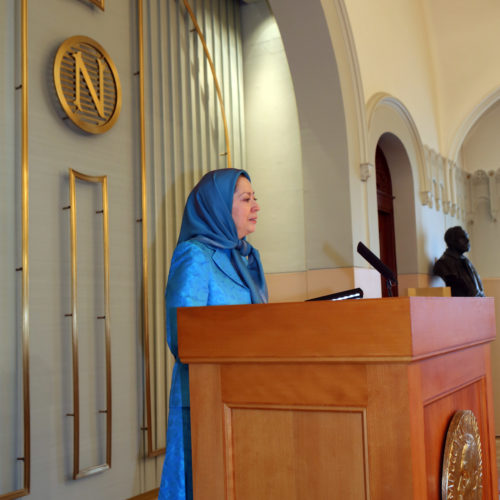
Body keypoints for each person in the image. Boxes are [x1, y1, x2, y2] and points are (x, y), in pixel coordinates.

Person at [158, 168, 268, 500]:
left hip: (249, 394)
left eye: (255, 198)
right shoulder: (195, 255)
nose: (255, 206)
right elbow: (182, 336)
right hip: (205, 398)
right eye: (246, 199)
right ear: (218, 206)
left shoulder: (247, 259)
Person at [433, 226, 484, 297]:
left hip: (477, 304)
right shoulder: (443, 264)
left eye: (467, 237)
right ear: (452, 241)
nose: (467, 240)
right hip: (460, 304)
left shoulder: (466, 261)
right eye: (463, 238)